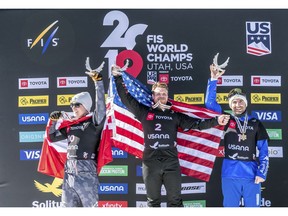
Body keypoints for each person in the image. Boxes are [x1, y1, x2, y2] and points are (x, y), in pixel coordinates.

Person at [111, 65, 229, 207]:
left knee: (175, 201)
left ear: (167, 96)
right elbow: (126, 98)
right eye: (158, 94)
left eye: (164, 94)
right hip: (150, 161)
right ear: (153, 96)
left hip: (171, 161)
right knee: (153, 202)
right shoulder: (144, 112)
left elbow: (196, 124)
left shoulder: (174, 115)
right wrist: (118, 77)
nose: (161, 96)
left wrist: (216, 121)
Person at [205, 64, 269, 207]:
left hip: (251, 175)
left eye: (240, 101)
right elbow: (209, 104)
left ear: (245, 103)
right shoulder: (226, 119)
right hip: (229, 174)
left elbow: (264, 151)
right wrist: (213, 79)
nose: (237, 105)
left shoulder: (256, 123)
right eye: (234, 102)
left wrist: (262, 172)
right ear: (230, 104)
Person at [47, 66, 106, 207]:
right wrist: (53, 122)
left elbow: (101, 106)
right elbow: (52, 138)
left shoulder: (94, 121)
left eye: (77, 105)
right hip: (69, 174)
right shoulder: (70, 124)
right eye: (72, 105)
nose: (73, 108)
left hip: (86, 172)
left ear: (86, 106)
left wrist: (98, 83)